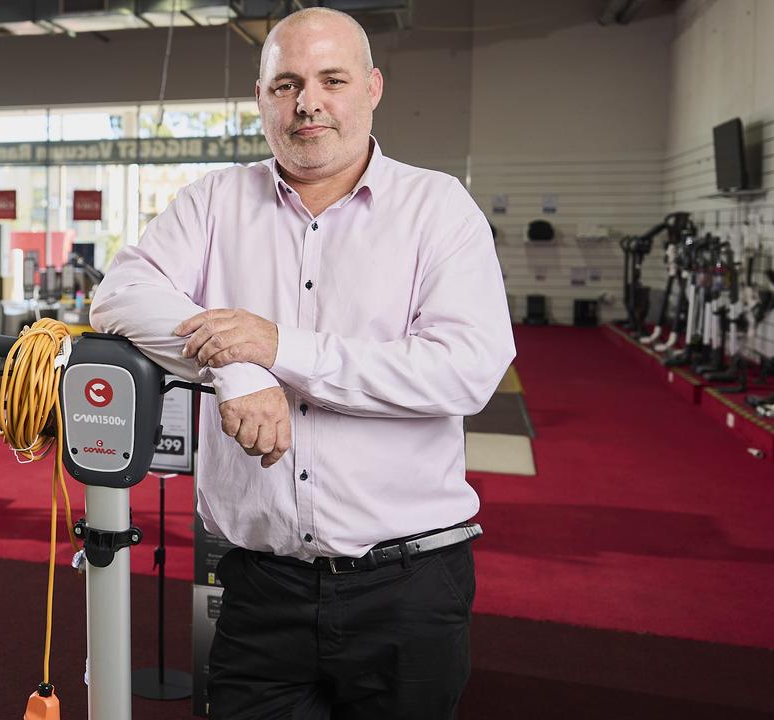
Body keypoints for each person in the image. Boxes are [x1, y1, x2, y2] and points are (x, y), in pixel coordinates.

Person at [89, 7, 515, 719]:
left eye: (330, 79)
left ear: (372, 87)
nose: (307, 102)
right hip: (258, 586)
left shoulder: (437, 208)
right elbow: (122, 295)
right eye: (285, 83)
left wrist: (278, 347)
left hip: (407, 585)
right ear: (261, 97)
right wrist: (239, 370)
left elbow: (463, 371)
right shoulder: (213, 202)